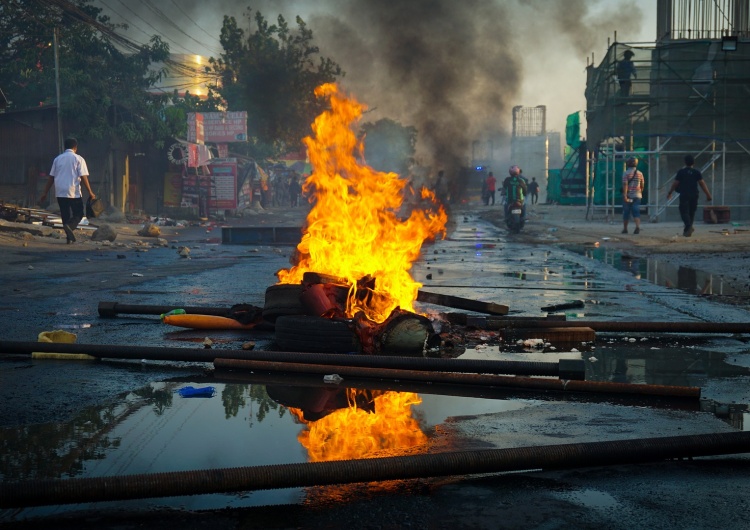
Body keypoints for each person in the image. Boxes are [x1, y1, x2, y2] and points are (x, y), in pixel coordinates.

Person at [40, 138, 96, 244]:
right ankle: (70, 227)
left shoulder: (57, 159)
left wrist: (45, 192)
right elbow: (83, 177)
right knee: (78, 214)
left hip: (60, 191)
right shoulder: (79, 159)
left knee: (65, 214)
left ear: (65, 147)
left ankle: (68, 239)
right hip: (73, 191)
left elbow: (51, 177)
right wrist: (90, 192)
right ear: (75, 147)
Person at [667, 155, 712, 237]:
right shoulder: (696, 172)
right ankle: (688, 230)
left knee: (684, 211)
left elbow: (675, 183)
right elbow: (702, 183)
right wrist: (708, 195)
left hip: (684, 194)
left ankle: (688, 226)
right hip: (694, 194)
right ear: (693, 162)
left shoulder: (681, 172)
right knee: (691, 212)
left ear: (685, 162)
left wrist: (670, 192)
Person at [621, 157, 644, 235]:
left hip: (628, 196)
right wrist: (640, 192)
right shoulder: (640, 173)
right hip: (637, 195)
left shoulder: (626, 173)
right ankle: (637, 226)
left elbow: (625, 185)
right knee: (636, 211)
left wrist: (625, 196)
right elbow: (642, 185)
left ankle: (625, 229)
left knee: (626, 212)